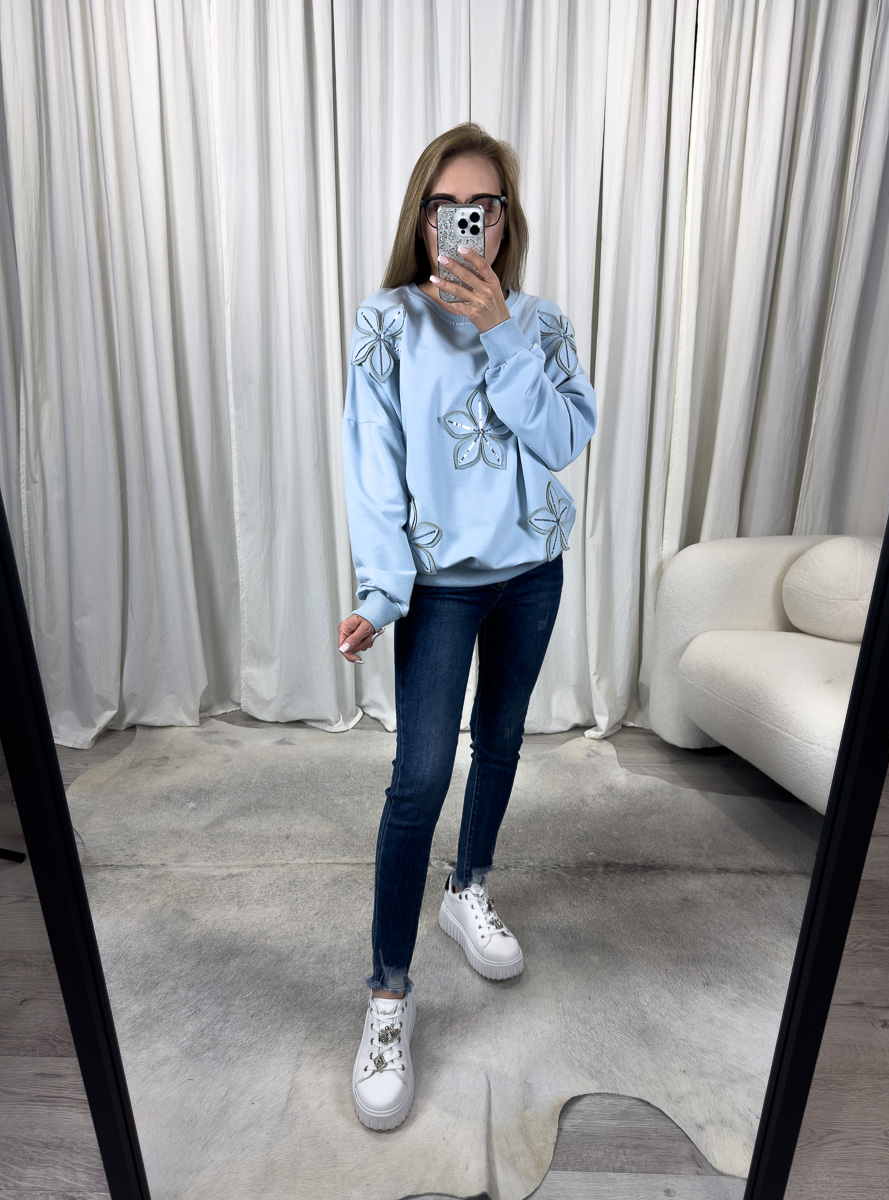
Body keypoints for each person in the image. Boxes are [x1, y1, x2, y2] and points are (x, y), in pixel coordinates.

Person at [339, 123, 597, 1131]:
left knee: (500, 740)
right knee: (418, 778)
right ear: (423, 221)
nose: (464, 225)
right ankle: (388, 997)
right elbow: (373, 465)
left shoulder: (540, 322)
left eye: (481, 208)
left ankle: (469, 887)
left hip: (533, 573)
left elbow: (564, 438)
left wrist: (501, 332)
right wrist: (381, 591)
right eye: (445, 208)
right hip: (440, 585)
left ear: (504, 220)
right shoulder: (387, 323)